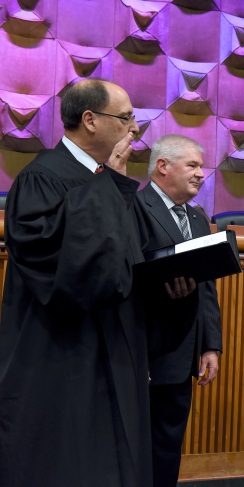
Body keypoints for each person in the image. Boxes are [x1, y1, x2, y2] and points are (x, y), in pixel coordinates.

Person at [0, 79, 155, 486]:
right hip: (63, 351)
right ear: (90, 120)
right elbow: (61, 266)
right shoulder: (43, 178)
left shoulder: (109, 180)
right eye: (125, 118)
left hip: (117, 347)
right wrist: (109, 188)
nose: (134, 129)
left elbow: (125, 262)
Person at [137, 134, 223, 487]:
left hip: (183, 355)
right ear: (163, 166)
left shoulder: (198, 218)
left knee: (167, 447)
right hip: (143, 352)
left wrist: (210, 345)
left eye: (200, 166)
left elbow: (207, 290)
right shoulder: (134, 208)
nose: (201, 173)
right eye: (192, 165)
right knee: (136, 447)